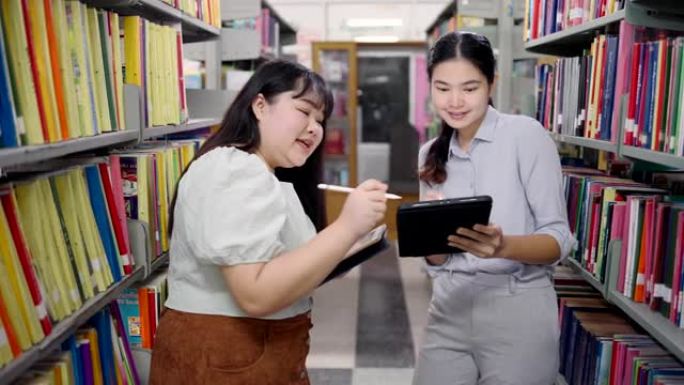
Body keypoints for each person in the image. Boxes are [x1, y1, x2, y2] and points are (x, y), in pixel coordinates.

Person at [149, 59, 388, 385]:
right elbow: (256, 294)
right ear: (260, 105)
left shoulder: (262, 175)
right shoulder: (236, 170)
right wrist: (346, 228)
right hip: (229, 358)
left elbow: (278, 270)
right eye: (304, 111)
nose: (315, 127)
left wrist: (342, 246)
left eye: (320, 119)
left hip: (256, 355)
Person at [412, 32, 575, 385]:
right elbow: (439, 259)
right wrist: (431, 242)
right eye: (442, 88)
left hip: (517, 309)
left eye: (469, 88)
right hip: (449, 306)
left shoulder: (526, 136)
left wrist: (504, 247)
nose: (455, 101)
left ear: (491, 84)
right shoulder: (429, 154)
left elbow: (559, 239)